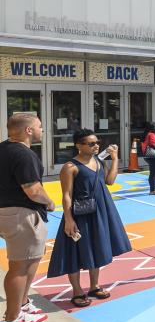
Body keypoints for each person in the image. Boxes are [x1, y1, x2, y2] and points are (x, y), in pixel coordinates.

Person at [47, 129, 131, 308]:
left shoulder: (99, 161)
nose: (96, 146)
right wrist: (69, 220)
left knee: (97, 246)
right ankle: (77, 291)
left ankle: (94, 286)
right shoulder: (70, 167)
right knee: (74, 252)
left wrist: (115, 158)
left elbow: (109, 181)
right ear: (79, 145)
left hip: (101, 211)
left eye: (97, 143)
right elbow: (66, 195)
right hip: (80, 214)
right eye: (91, 143)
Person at [0, 114, 53, 322]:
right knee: (19, 267)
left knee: (29, 259)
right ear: (28, 130)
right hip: (21, 215)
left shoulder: (3, 148)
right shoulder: (24, 155)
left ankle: (22, 304)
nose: (43, 130)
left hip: (7, 212)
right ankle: (12, 319)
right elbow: (33, 190)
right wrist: (49, 202)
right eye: (40, 126)